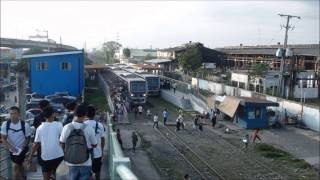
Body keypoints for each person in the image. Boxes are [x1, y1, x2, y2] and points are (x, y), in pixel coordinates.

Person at [60, 104, 97, 180]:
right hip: (85, 162)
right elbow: (95, 144)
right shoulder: (89, 129)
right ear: (85, 114)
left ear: (74, 113)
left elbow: (62, 143)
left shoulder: (66, 127)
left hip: (70, 162)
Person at [28, 106, 64, 180]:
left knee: (46, 177)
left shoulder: (40, 128)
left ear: (44, 116)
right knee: (59, 176)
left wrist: (30, 156)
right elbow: (63, 141)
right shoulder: (59, 125)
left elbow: (36, 144)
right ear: (53, 114)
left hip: (46, 157)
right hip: (59, 155)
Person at [1, 106, 32, 180]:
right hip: (12, 150)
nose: (13, 115)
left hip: (22, 149)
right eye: (11, 114)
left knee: (15, 166)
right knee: (19, 166)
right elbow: (3, 138)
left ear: (19, 114)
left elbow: (28, 138)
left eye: (15, 113)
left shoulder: (25, 125)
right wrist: (10, 147)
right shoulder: (5, 125)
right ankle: (23, 176)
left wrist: (23, 146)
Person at [84, 105, 105, 180]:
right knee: (97, 172)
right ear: (95, 114)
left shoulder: (83, 125)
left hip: (85, 154)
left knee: (86, 173)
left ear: (86, 114)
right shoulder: (100, 125)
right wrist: (102, 151)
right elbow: (103, 139)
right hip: (97, 153)